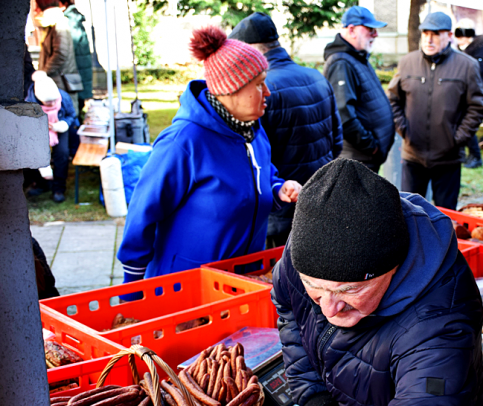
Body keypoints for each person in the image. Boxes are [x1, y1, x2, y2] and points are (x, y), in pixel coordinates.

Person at [271, 157, 483, 406]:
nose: (329, 308)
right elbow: (289, 310)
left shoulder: (440, 323)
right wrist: (312, 392)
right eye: (315, 289)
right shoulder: (304, 253)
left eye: (350, 291)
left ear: (392, 267)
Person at [118, 26, 301, 282]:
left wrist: (278, 189)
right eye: (259, 85)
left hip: (242, 279)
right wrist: (133, 287)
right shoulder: (184, 141)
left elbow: (259, 178)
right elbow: (143, 210)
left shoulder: (254, 131)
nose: (268, 92)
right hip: (186, 285)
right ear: (231, 89)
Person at [229, 13, 343, 249]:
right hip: (319, 204)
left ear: (251, 50)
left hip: (280, 213)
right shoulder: (316, 77)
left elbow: (252, 160)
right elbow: (337, 143)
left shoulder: (258, 91)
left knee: (280, 281)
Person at [388, 12, 483, 210]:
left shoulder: (467, 65)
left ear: (449, 36)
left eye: (435, 33)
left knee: (446, 215)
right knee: (408, 212)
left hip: (448, 158)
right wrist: (404, 130)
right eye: (425, 33)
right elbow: (392, 99)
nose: (429, 39)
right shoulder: (408, 62)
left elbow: (477, 106)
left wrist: (457, 138)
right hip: (413, 155)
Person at [323, 6, 394, 172]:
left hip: (364, 159)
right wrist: (370, 146)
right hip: (357, 160)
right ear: (352, 30)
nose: (375, 34)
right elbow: (343, 115)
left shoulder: (357, 57)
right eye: (370, 29)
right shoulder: (341, 63)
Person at [25, 71, 78, 203]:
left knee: (62, 153)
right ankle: (42, 183)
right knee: (35, 155)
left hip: (60, 127)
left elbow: (71, 114)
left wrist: (63, 124)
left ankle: (59, 188)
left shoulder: (63, 97)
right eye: (48, 102)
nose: (53, 103)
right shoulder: (28, 103)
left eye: (54, 100)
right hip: (37, 132)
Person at [455, 18, 483, 169]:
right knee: (462, 124)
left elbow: (477, 74)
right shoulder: (465, 49)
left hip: (474, 96)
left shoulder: (478, 50)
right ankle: (467, 155)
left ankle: (476, 156)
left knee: (468, 126)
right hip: (465, 95)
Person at [35, 0, 80, 109]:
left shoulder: (60, 26)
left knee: (64, 115)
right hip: (59, 79)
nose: (36, 11)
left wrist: (44, 72)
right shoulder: (54, 25)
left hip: (60, 81)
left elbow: (60, 54)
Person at [60, 0, 92, 110]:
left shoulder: (71, 19)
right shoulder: (73, 17)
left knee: (74, 107)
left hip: (76, 72)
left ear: (62, 4)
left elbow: (68, 46)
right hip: (79, 71)